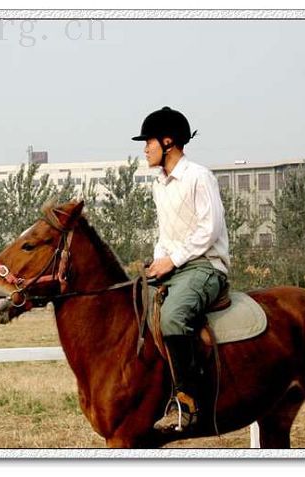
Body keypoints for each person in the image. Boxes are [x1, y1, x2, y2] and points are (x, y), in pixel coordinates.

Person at [132, 106, 230, 433]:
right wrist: (159, 263)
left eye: (149, 141)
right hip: (175, 266)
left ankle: (187, 401)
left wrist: (172, 260)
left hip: (206, 266)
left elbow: (209, 229)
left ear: (168, 141)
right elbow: (165, 236)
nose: (145, 148)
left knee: (172, 315)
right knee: (136, 307)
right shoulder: (160, 185)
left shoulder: (198, 176)